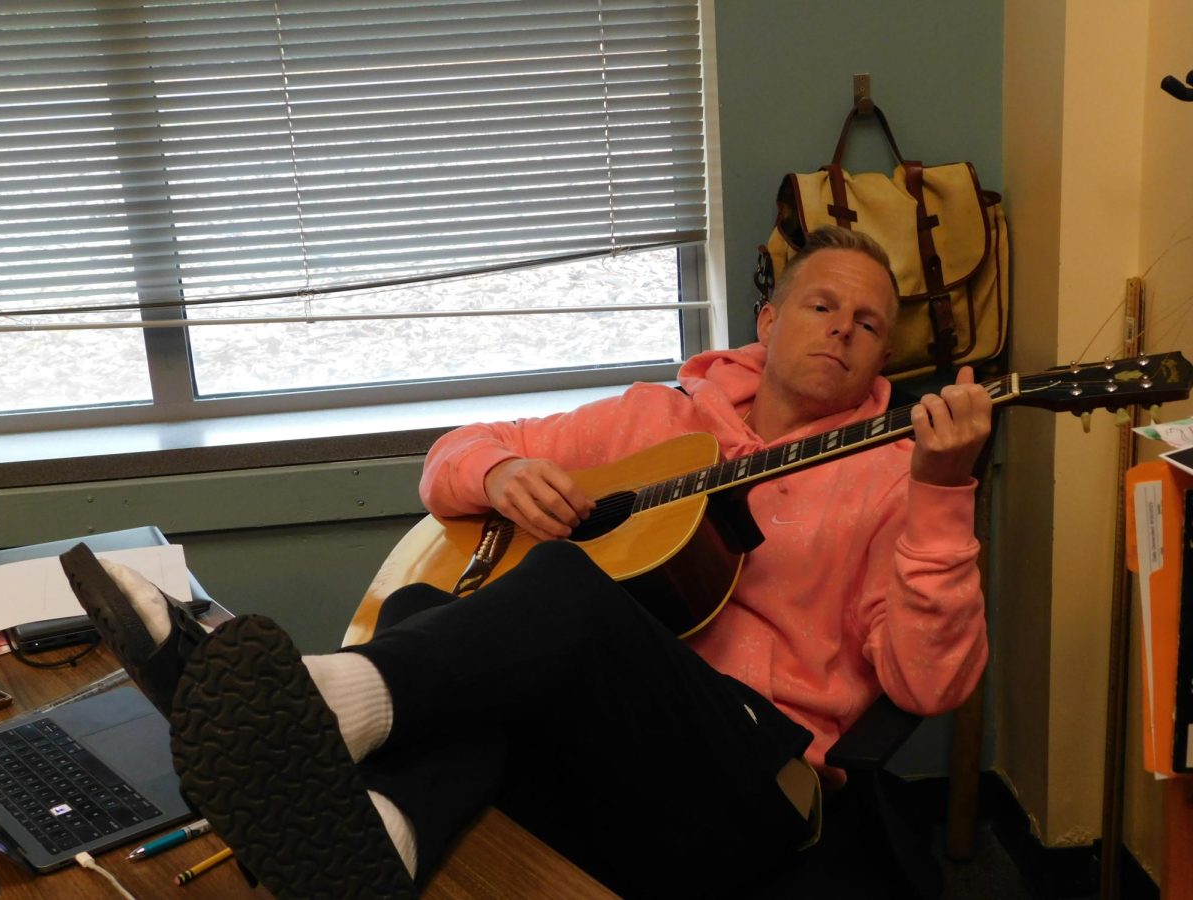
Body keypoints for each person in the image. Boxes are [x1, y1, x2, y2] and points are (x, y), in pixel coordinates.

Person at [60, 225, 991, 900]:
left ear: (880, 359)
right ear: (770, 318)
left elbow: (930, 680)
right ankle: (385, 834)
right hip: (603, 749)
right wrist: (502, 472)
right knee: (435, 602)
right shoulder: (659, 418)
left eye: (869, 324)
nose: (841, 329)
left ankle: (310, 701)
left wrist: (946, 496)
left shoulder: (897, 475)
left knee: (564, 597)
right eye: (822, 304)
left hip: (750, 778)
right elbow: (453, 455)